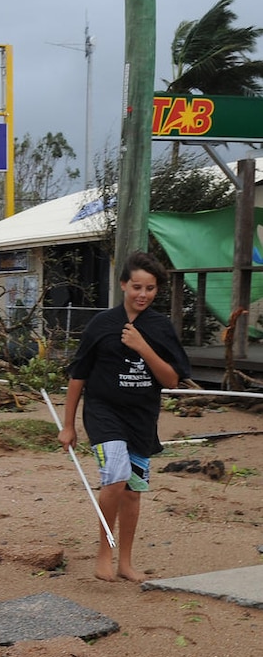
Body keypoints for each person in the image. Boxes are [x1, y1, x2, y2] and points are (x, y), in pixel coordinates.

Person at [58, 250, 191, 583]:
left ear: (156, 290)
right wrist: (68, 424)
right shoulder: (101, 325)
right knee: (115, 477)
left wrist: (143, 346)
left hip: (141, 419)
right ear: (123, 285)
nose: (142, 294)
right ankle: (105, 551)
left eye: (149, 288)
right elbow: (78, 376)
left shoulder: (160, 328)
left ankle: (126, 562)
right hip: (103, 414)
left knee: (133, 490)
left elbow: (172, 380)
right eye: (136, 287)